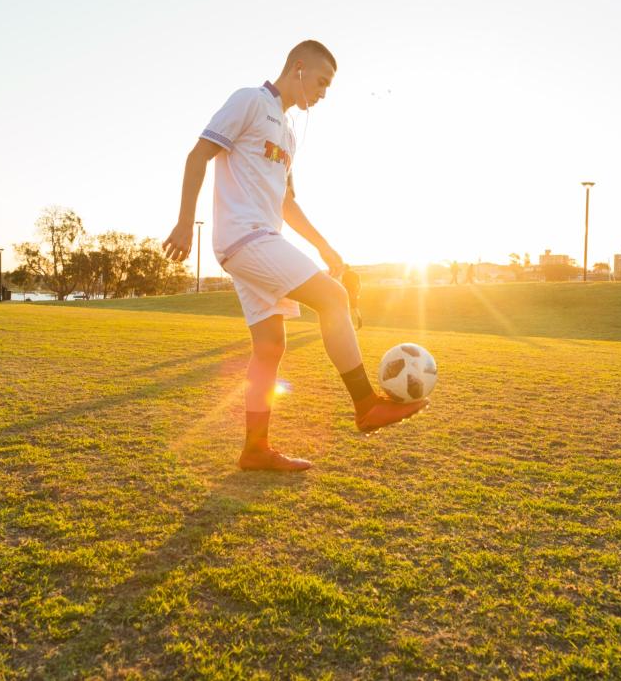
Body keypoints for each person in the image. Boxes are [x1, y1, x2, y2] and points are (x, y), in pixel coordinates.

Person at [162, 40, 428, 473]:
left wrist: (324, 246)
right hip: (245, 237)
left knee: (270, 347)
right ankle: (365, 405)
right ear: (298, 68)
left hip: (258, 240)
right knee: (334, 298)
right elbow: (199, 154)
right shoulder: (250, 101)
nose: (323, 93)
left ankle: (255, 448)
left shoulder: (286, 133)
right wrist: (182, 223)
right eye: (322, 82)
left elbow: (288, 203)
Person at [340, 264, 362, 330]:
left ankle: (347, 324)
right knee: (355, 308)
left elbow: (343, 284)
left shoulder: (344, 275)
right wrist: (358, 293)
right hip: (354, 293)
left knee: (346, 308)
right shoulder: (356, 274)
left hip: (347, 293)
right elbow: (359, 284)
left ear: (345, 269)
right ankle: (360, 322)